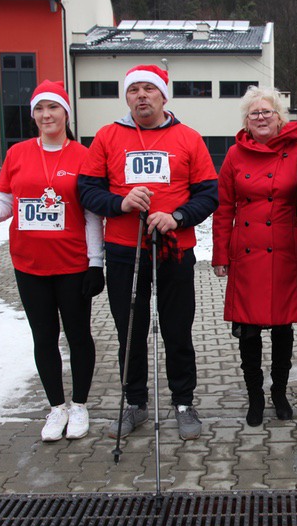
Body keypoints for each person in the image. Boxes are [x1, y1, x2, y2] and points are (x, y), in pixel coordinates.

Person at [0, 81, 104, 442]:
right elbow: (5, 202)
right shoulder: (18, 153)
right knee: (44, 337)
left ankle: (80, 405)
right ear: (33, 115)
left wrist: (96, 263)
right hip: (29, 263)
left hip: (72, 263)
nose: (46, 115)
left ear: (66, 113)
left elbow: (92, 214)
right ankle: (57, 407)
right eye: (39, 109)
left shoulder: (83, 155)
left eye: (53, 107)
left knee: (79, 335)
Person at [78, 65, 218, 441]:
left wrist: (177, 217)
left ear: (163, 95)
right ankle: (135, 403)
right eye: (134, 90)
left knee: (177, 329)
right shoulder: (107, 136)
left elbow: (209, 194)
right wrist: (120, 203)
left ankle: (183, 402)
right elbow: (87, 190)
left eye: (149, 89)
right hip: (125, 252)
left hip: (174, 250)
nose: (141, 95)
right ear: (126, 97)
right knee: (130, 331)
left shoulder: (188, 137)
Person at [212, 87, 297, 426]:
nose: (261, 117)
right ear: (246, 121)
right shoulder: (234, 155)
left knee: (283, 327)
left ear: (279, 117)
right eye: (254, 113)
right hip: (246, 251)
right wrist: (220, 254)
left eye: (267, 111)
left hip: (285, 248)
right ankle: (255, 396)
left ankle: (279, 392)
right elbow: (224, 208)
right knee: (249, 330)